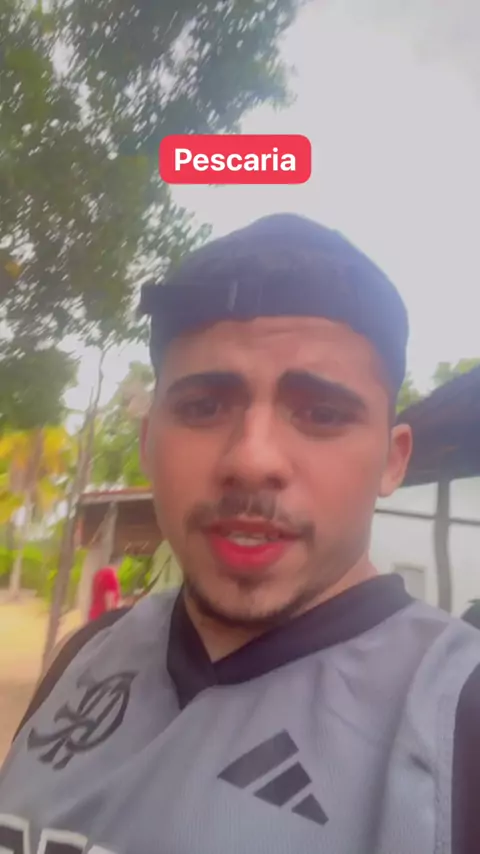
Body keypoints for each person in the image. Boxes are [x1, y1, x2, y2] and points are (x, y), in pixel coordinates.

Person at [1, 214, 479, 854]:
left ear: (393, 461)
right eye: (202, 407)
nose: (252, 460)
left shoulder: (458, 717)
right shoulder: (88, 655)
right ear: (147, 442)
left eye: (322, 413)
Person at [88, 552, 122, 622]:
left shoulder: (98, 574)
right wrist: (111, 618)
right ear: (118, 564)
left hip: (94, 615)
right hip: (103, 617)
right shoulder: (110, 576)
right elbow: (109, 599)